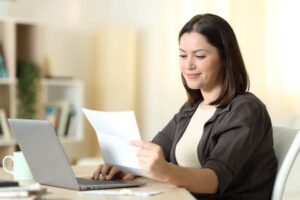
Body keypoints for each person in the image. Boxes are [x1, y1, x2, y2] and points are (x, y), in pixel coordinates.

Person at [91, 13, 277, 200]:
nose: (188, 65)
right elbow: (158, 149)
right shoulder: (190, 110)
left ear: (225, 58)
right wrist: (127, 166)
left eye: (200, 56)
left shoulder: (246, 110)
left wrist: (166, 171)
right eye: (182, 55)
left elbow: (214, 179)